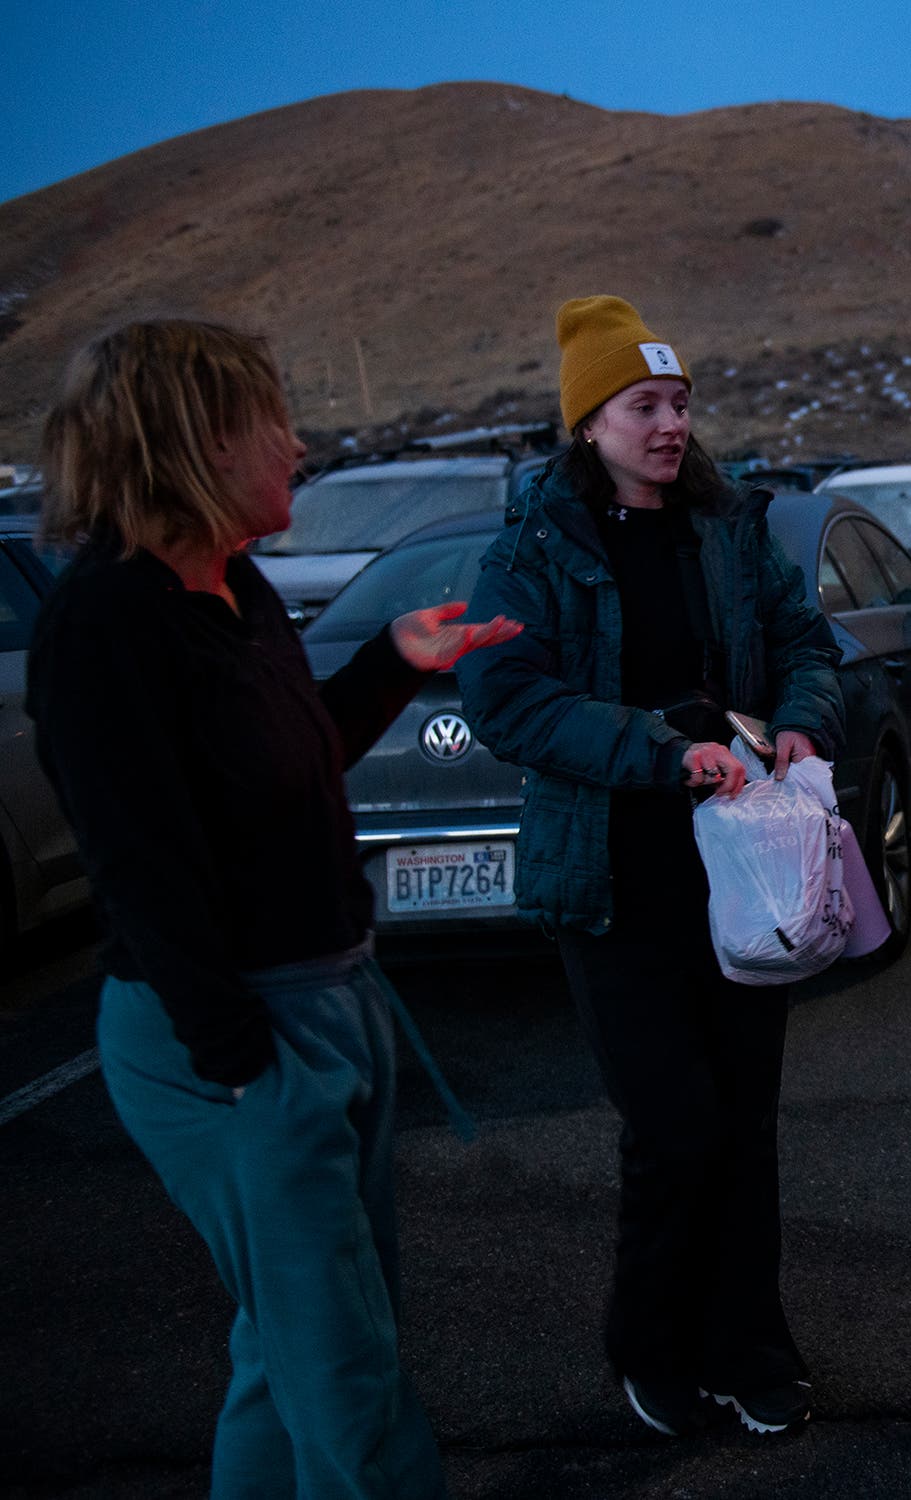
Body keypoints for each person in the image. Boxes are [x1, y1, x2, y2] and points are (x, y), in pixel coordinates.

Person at [26, 319, 521, 1497]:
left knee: (285, 1350)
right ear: (195, 442)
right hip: (233, 1038)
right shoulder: (104, 625)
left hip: (328, 1000)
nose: (297, 445)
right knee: (344, 1373)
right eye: (271, 422)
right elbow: (141, 867)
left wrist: (394, 659)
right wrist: (249, 1064)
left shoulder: (232, 587)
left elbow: (293, 763)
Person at [454, 296, 843, 1435]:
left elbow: (807, 644)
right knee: (674, 1124)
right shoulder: (533, 547)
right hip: (612, 884)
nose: (669, 426)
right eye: (642, 406)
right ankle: (651, 1342)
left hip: (744, 874)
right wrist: (665, 751)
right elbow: (505, 698)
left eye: (678, 403)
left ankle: (749, 1348)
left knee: (743, 1118)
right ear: (588, 423)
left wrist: (807, 718)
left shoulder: (726, 527)